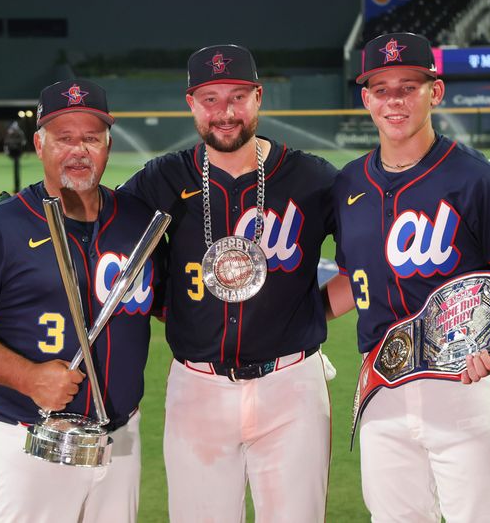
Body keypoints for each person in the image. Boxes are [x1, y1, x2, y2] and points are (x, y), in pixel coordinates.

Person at [0, 79, 163, 523]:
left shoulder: (136, 221)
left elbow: (167, 306)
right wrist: (28, 377)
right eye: (64, 138)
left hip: (121, 441)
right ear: (39, 143)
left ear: (109, 144)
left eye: (91, 138)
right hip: (31, 442)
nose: (78, 150)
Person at [118, 44, 337, 522]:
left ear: (258, 97)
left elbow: (369, 266)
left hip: (291, 385)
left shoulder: (312, 178)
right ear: (190, 103)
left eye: (237, 96)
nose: (225, 112)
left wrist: (311, 311)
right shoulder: (161, 179)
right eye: (210, 98)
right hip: (198, 387)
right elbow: (102, 245)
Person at [324, 32, 490, 522]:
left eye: (408, 86)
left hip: (461, 384)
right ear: (366, 98)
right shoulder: (349, 183)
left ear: (434, 92)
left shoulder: (478, 179)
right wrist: (294, 321)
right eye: (381, 88)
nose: (394, 100)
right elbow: (356, 279)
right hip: (381, 386)